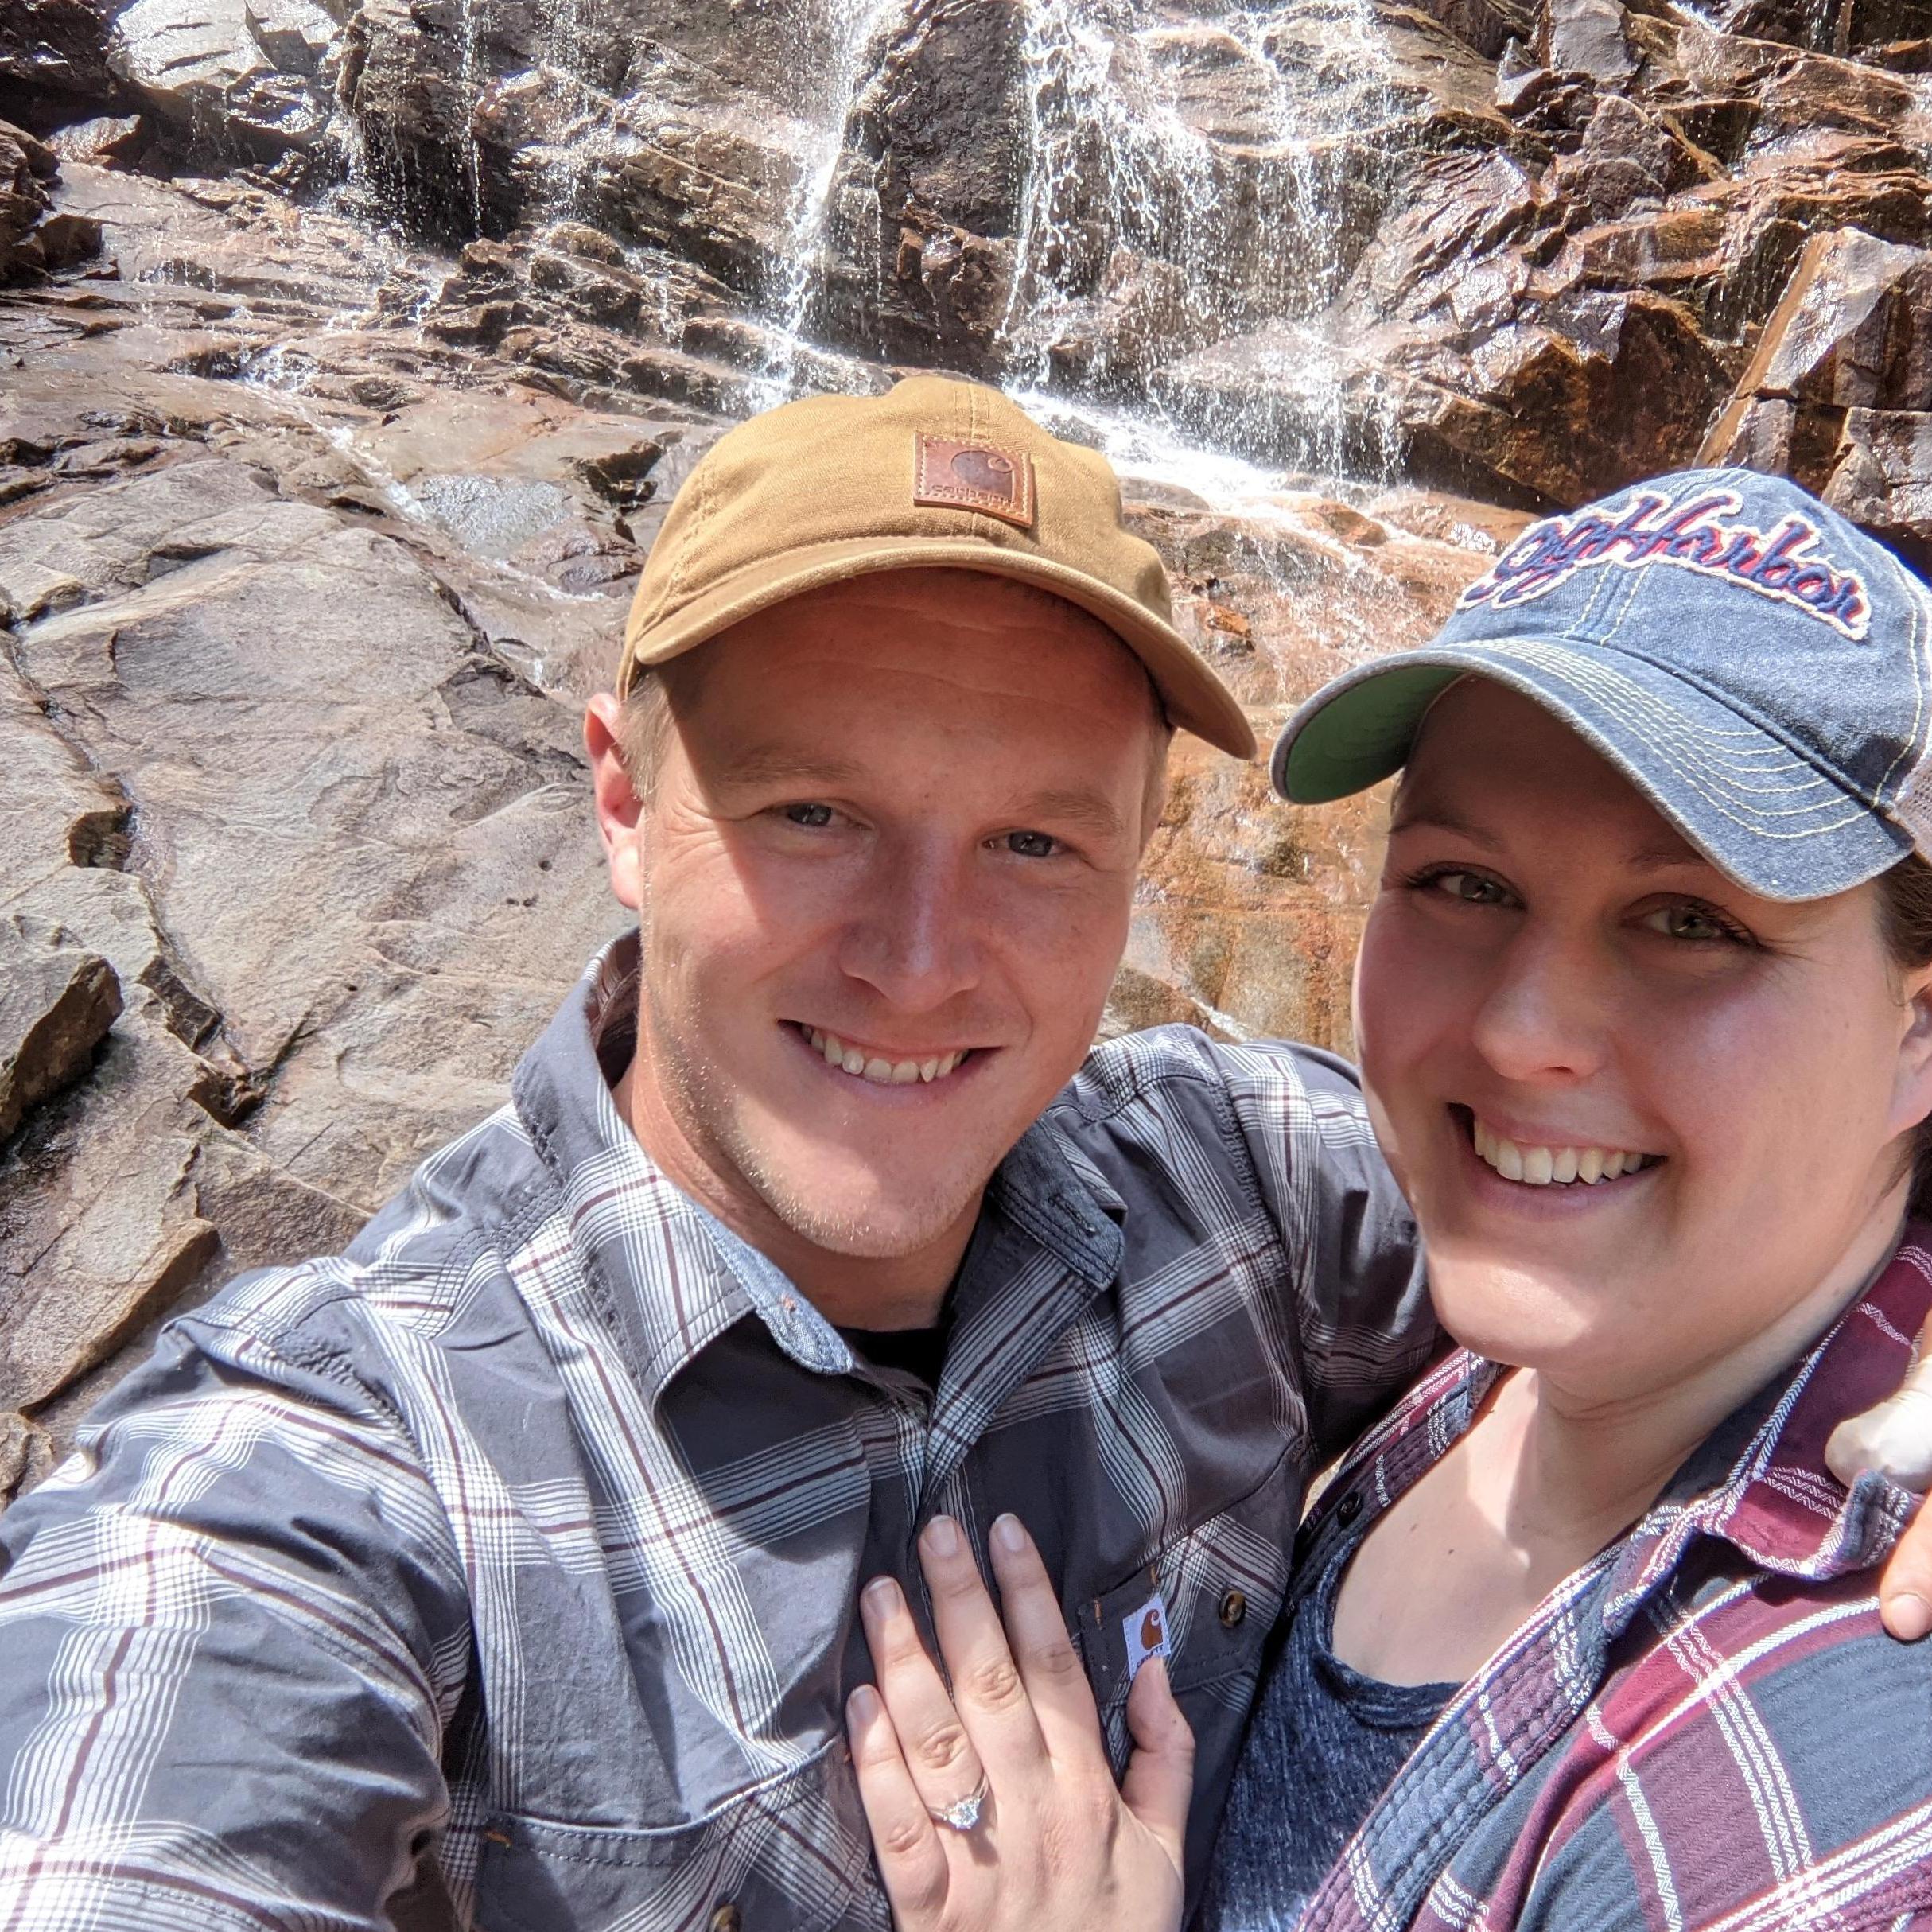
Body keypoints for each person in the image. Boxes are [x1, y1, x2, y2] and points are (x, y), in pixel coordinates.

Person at [0, 374, 1444, 1930]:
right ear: (622, 799)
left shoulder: (1242, 1184)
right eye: (815, 812)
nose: (918, 960)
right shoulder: (340, 1467)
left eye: (1035, 843)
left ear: (1137, 860)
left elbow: (1676, 1237)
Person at [848, 467, 1932, 1932]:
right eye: (1462, 883)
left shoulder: (1807, 1813)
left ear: (1915, 1024)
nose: (1514, 1031)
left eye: (1691, 921)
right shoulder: (1480, 1336)